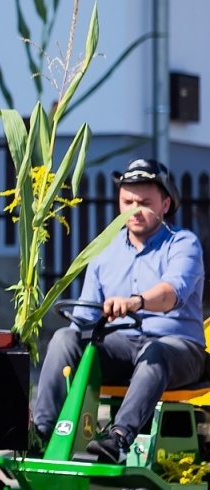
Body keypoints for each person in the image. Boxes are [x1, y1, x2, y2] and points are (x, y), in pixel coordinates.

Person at [31, 158, 207, 464]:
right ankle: (42, 433)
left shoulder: (183, 244)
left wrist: (135, 301)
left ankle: (118, 440)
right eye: (127, 201)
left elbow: (171, 293)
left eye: (144, 202)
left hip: (179, 350)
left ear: (165, 204)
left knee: (156, 352)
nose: (134, 209)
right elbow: (85, 317)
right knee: (64, 339)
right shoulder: (104, 252)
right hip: (120, 345)